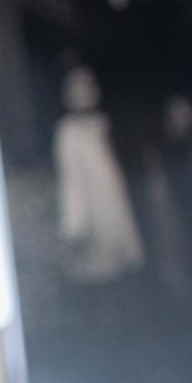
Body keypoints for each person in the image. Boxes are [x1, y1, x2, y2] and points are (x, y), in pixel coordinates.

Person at [55, 61, 147, 281]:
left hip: (115, 206)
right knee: (100, 271)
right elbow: (71, 181)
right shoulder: (67, 133)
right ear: (67, 95)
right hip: (91, 213)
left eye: (89, 85)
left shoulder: (104, 124)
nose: (84, 92)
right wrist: (73, 224)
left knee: (126, 269)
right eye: (76, 88)